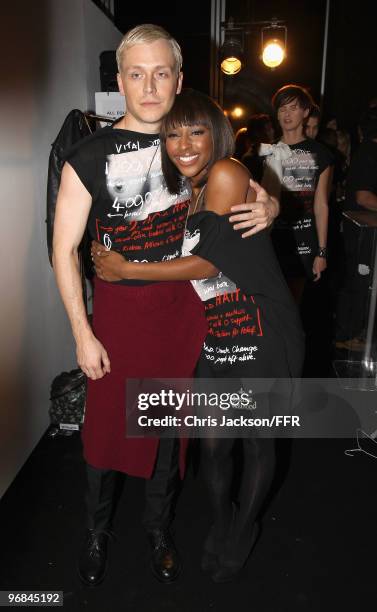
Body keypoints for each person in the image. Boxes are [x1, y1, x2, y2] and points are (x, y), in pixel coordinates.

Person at [52, 24, 278, 587]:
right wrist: (82, 333)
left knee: (167, 438)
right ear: (120, 80)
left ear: (178, 79)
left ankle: (158, 531)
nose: (149, 86)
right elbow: (63, 248)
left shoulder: (191, 142)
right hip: (118, 323)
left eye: (161, 73)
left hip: (186, 320)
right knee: (105, 436)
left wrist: (268, 202)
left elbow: (241, 182)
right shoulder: (88, 153)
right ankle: (96, 533)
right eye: (136, 74)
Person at [92, 88, 304, 583]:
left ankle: (243, 526)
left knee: (254, 442)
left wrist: (128, 270)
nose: (183, 144)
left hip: (257, 323)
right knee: (212, 443)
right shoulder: (190, 190)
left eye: (195, 131)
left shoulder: (227, 172)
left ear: (217, 134)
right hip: (215, 330)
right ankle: (225, 517)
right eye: (172, 134)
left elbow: (211, 261)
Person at [266, 84, 333, 304]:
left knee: (297, 307)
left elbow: (321, 205)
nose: (286, 114)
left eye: (293, 108)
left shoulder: (320, 153)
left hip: (304, 242)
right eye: (282, 108)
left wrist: (321, 252)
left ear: (305, 112)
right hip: (271, 240)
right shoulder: (266, 152)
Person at [335, 107, 377, 350]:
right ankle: (350, 335)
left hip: (365, 232)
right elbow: (363, 197)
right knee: (360, 281)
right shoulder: (369, 152)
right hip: (362, 234)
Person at [241, 113, 275, 182]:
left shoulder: (273, 152)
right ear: (260, 133)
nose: (273, 131)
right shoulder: (250, 158)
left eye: (271, 128)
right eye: (268, 129)